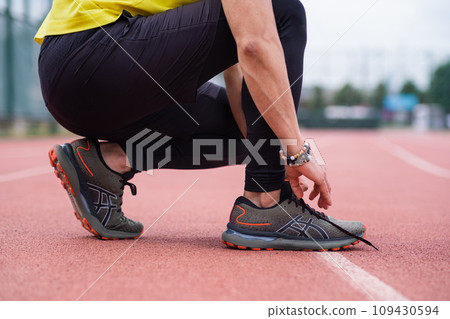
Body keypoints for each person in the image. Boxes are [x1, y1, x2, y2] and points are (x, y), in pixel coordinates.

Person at [37, 0, 376, 251]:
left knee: (254, 135)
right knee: (283, 10)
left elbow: (238, 64)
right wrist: (297, 150)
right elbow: (255, 43)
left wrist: (271, 155)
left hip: (80, 76)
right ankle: (265, 205)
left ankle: (107, 162)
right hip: (93, 52)